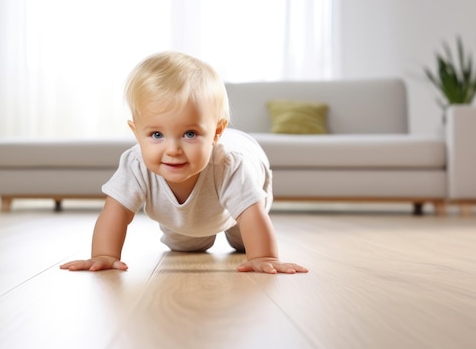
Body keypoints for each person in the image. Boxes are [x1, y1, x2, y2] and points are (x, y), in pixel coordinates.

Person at [61, 51, 308, 274]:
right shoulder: (135, 164)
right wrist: (104, 255)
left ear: (216, 133)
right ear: (136, 134)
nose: (173, 150)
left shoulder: (231, 166)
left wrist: (263, 256)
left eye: (190, 134)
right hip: (188, 218)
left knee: (244, 242)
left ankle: (243, 239)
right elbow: (116, 212)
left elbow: (253, 215)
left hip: (244, 193)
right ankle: (195, 231)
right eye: (156, 135)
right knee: (186, 244)